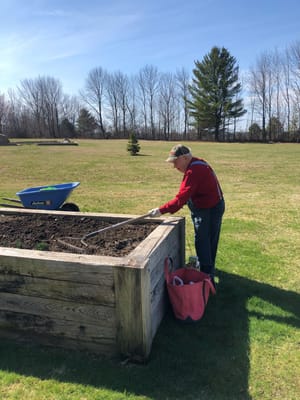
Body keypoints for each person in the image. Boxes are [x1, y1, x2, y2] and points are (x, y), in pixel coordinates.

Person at [148, 144, 225, 286]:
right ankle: (208, 271)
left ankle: (207, 277)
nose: (174, 166)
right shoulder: (196, 164)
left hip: (210, 208)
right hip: (210, 205)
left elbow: (180, 200)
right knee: (207, 240)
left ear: (184, 158)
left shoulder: (194, 170)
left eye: (175, 162)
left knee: (203, 241)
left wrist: (159, 211)